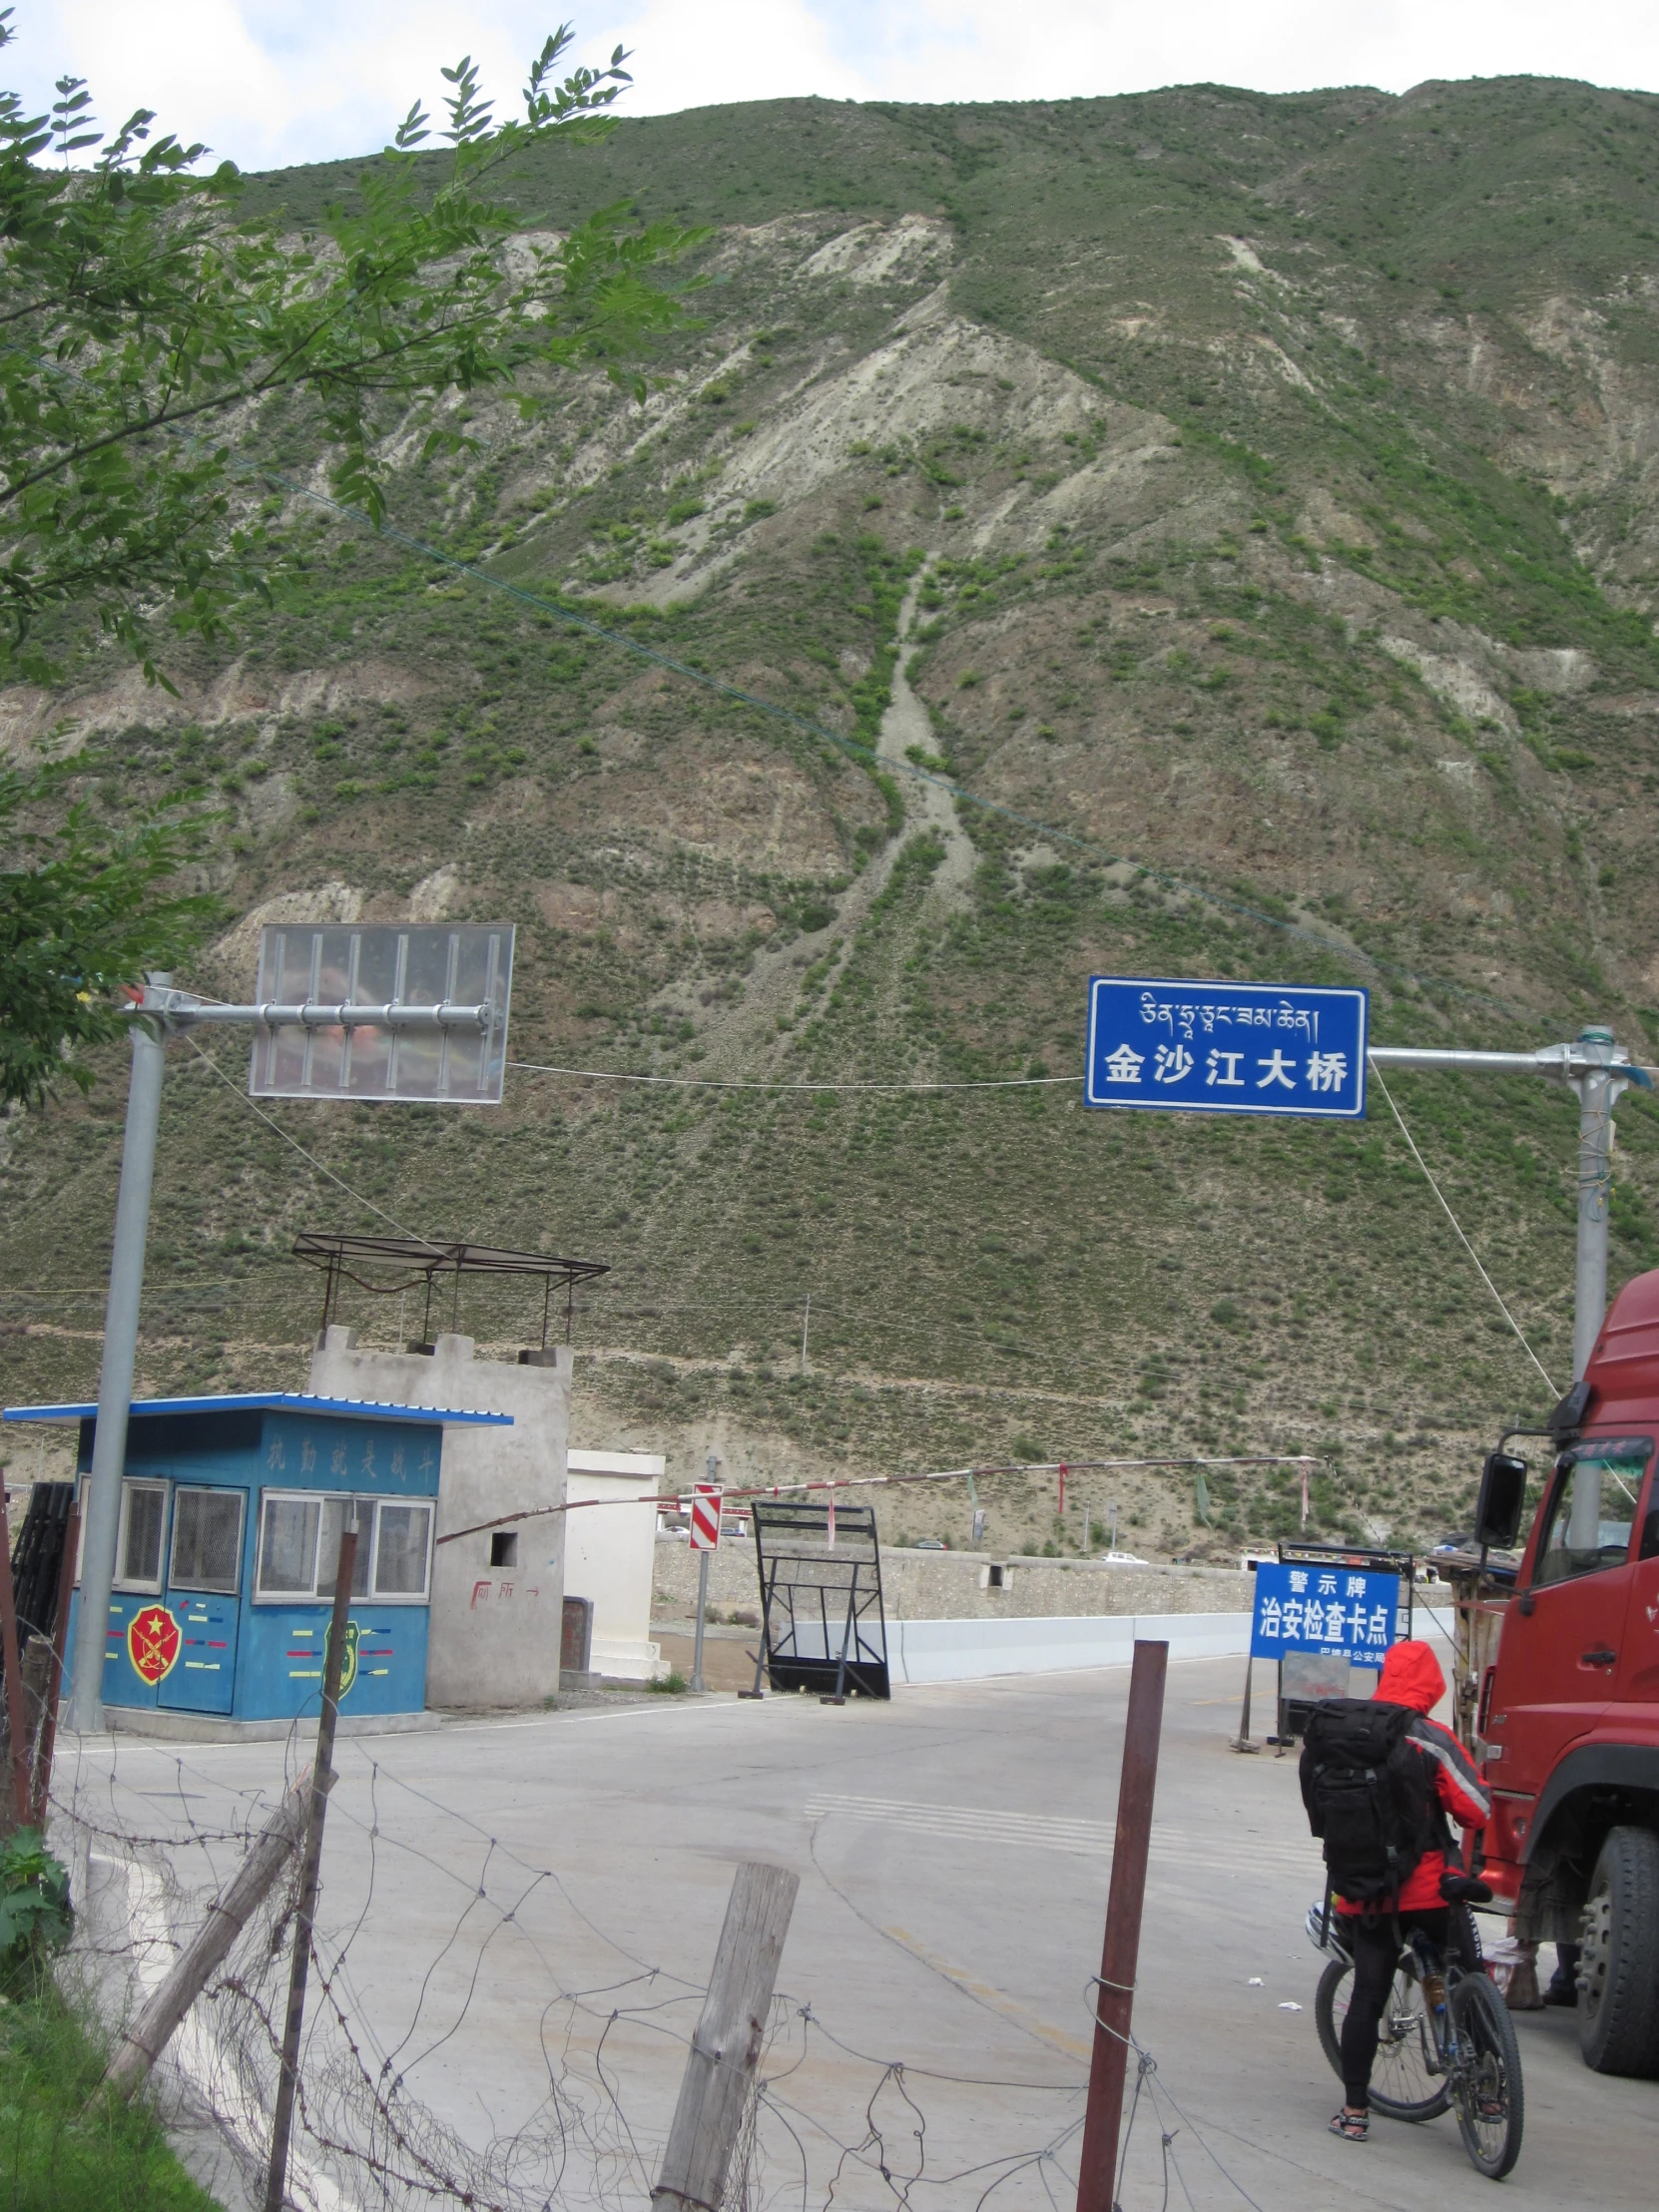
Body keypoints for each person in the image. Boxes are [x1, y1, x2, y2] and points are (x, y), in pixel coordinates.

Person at [1322, 1639, 1490, 2143]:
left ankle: (1354, 2114)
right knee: (1468, 1976)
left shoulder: (1343, 1734)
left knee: (1368, 1995)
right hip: (1429, 1890)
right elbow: (1476, 1809)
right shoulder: (1429, 1736)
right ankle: (1490, 2092)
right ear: (1432, 1685)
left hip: (1362, 1890)